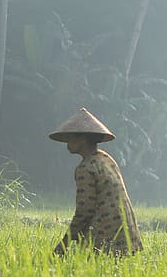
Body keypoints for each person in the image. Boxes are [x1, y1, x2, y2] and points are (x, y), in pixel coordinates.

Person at [49, 108, 143, 256]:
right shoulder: (106, 159)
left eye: (72, 138)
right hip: (126, 232)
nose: (68, 143)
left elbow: (84, 211)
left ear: (83, 139)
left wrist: (64, 244)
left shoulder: (85, 168)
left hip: (105, 236)